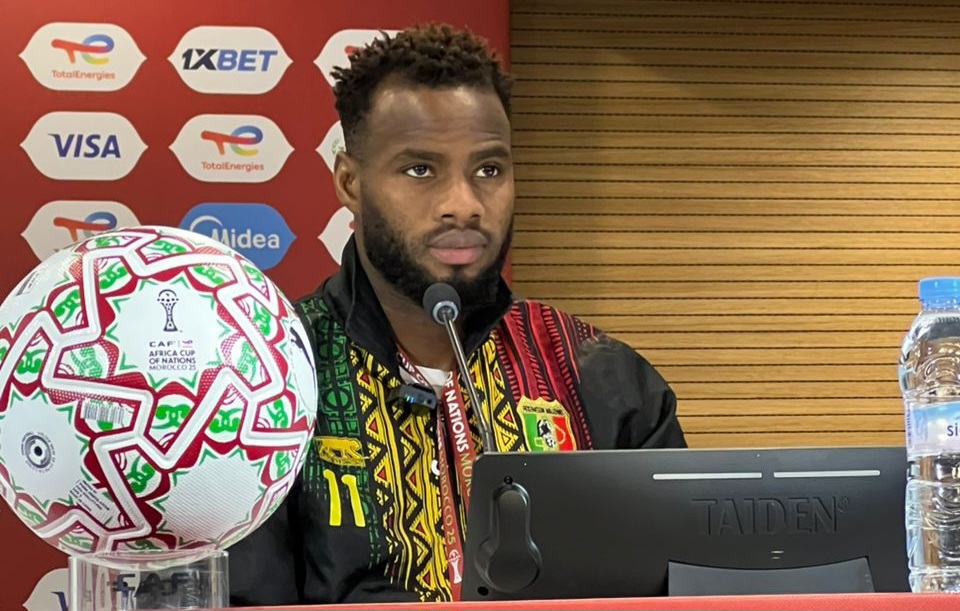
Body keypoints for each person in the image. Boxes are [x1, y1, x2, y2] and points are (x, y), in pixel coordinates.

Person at [228, 23, 686, 605]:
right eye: (420, 170)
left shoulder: (604, 379)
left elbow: (681, 582)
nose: (464, 204)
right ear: (350, 182)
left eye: (489, 169)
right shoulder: (267, 385)